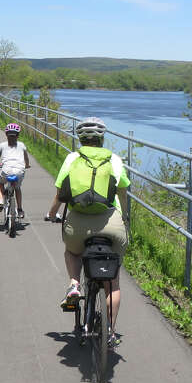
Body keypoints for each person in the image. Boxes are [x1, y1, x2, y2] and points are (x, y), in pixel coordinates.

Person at [45, 117, 130, 346]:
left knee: (72, 252)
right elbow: (123, 191)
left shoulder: (73, 158)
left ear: (80, 138)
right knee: (113, 280)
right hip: (110, 223)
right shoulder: (114, 159)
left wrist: (52, 215)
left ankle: (74, 285)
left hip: (78, 224)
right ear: (102, 138)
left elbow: (59, 193)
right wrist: (124, 216)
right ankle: (110, 332)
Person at [0, 123, 31, 218]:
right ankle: (20, 210)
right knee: (17, 188)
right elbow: (26, 159)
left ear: (6, 134)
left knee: (0, 183)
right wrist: (27, 165)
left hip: (6, 170)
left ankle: (1, 200)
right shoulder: (22, 145)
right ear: (18, 135)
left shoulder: (2, 145)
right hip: (19, 170)